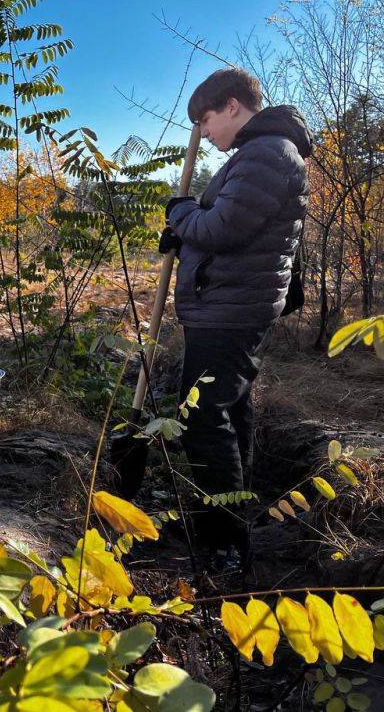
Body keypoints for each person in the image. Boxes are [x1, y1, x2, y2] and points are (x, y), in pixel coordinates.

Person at [160, 68, 312, 571]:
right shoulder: (259, 153)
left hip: (230, 311)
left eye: (205, 120)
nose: (203, 133)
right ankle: (229, 513)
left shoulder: (267, 153)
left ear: (231, 106)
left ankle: (225, 541)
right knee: (231, 410)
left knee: (204, 417)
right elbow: (229, 228)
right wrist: (185, 236)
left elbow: (223, 227)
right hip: (230, 303)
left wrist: (181, 214)